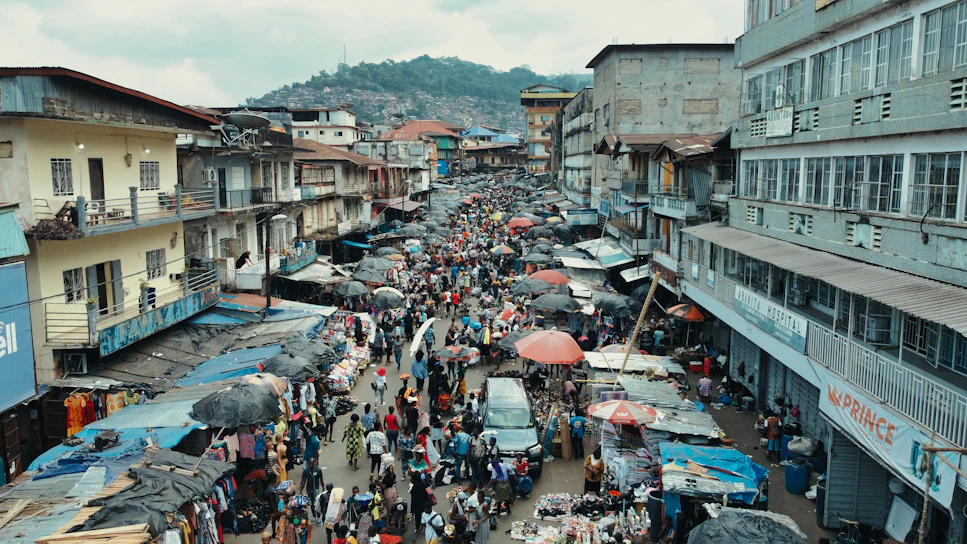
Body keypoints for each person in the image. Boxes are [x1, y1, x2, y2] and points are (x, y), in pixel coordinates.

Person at [299, 457, 325, 521]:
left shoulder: (318, 470)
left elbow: (321, 480)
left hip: (316, 489)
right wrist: (301, 490)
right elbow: (303, 481)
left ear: (314, 463)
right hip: (309, 489)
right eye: (310, 463)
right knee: (311, 504)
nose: (311, 465)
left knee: (316, 503)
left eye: (312, 463)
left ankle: (318, 517)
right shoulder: (306, 471)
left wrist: (323, 488)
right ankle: (314, 516)